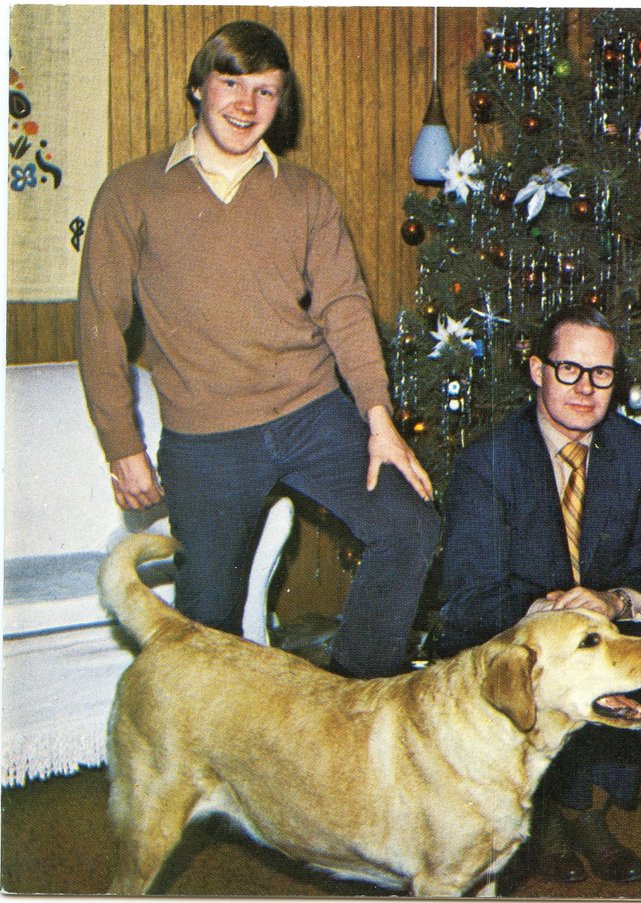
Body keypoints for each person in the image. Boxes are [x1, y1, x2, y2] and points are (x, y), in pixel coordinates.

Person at [75, 20, 441, 680]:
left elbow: (344, 307)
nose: (247, 106)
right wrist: (122, 446)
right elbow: (100, 323)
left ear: (281, 102)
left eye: (266, 91)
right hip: (206, 438)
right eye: (232, 85)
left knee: (409, 526)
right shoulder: (133, 192)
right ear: (198, 87)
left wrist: (378, 420)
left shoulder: (306, 194)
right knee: (205, 627)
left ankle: (353, 696)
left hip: (311, 412)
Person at [435, 306, 641, 887]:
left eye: (601, 374)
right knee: (550, 667)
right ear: (537, 370)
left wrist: (612, 602)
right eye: (569, 369)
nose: (584, 388)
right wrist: (549, 615)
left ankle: (586, 813)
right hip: (513, 629)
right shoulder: (488, 460)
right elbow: (470, 593)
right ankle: (547, 814)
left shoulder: (638, 452)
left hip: (602, 624)